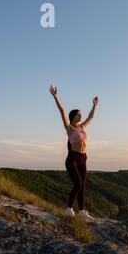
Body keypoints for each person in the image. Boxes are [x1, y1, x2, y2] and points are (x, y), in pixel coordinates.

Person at [49, 85, 98, 221]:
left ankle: (82, 211)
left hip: (83, 157)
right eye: (78, 114)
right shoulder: (69, 128)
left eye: (81, 114)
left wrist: (94, 105)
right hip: (73, 158)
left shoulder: (82, 127)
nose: (81, 116)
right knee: (77, 184)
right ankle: (69, 209)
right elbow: (62, 111)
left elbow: (91, 116)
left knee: (83, 185)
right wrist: (55, 96)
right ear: (73, 115)